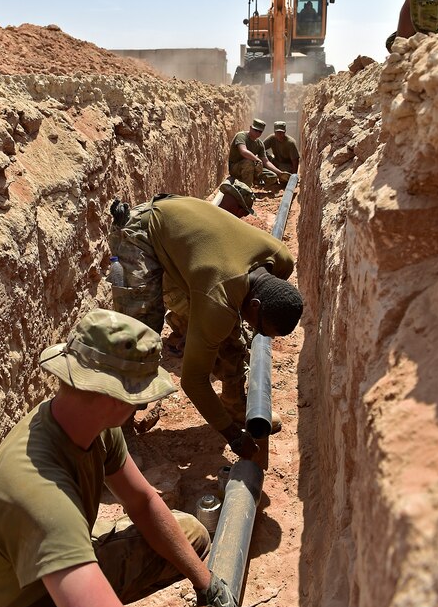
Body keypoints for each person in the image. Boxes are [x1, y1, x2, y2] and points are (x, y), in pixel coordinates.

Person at [0, 309, 241, 607]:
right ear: (115, 399)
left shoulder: (90, 427)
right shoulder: (39, 493)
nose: (141, 405)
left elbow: (142, 501)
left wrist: (207, 584)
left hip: (41, 587)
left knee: (190, 537)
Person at [108, 195, 303, 459]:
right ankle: (118, 431)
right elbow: (194, 381)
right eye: (259, 328)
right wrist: (232, 437)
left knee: (230, 333)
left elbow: (230, 302)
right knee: (139, 336)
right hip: (143, 233)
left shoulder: (282, 261)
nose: (256, 333)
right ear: (255, 305)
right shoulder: (217, 298)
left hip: (190, 242)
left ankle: (235, 405)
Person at [164, 177, 256, 358]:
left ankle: (183, 324)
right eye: (244, 213)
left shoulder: (203, 213)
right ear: (238, 209)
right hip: (178, 291)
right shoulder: (215, 229)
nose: (243, 218)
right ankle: (186, 335)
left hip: (174, 287)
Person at [227, 118, 290, 188]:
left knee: (272, 177)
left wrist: (280, 173)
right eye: (255, 130)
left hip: (251, 168)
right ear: (250, 128)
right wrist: (257, 159)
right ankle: (246, 190)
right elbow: (243, 151)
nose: (257, 133)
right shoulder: (241, 136)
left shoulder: (259, 144)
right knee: (249, 162)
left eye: (260, 131)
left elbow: (266, 161)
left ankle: (253, 181)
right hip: (235, 168)